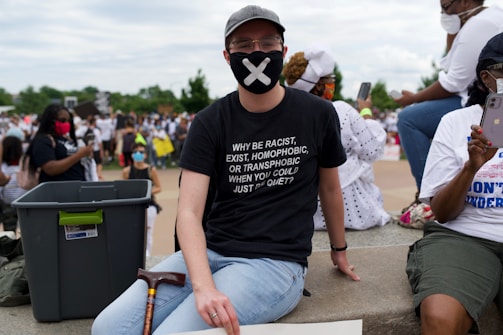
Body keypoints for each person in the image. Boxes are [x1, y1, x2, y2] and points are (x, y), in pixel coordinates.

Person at [92, 5, 359, 335]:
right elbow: (188, 212)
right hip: (211, 251)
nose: (256, 52)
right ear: (227, 55)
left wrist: (339, 250)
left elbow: (330, 188)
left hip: (273, 263)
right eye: (244, 45)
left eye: (267, 42)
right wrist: (204, 286)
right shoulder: (209, 121)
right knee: (107, 328)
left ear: (283, 50)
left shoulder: (317, 114)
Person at [405, 32, 503, 334]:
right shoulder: (456, 122)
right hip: (465, 238)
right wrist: (470, 168)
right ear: (487, 78)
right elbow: (444, 212)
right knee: (440, 319)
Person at [394, 1, 503, 222]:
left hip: (475, 98)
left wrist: (411, 99)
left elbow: (452, 82)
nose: (443, 12)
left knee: (408, 119)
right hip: (482, 92)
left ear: (464, 2)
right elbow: (449, 62)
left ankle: (430, 195)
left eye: (446, 5)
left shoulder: (477, 26)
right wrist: (453, 30)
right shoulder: (488, 17)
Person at [283, 45, 390, 230]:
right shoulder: (340, 110)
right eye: (330, 79)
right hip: (350, 207)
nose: (333, 83)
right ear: (318, 84)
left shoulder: (286, 113)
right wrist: (365, 111)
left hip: (303, 209)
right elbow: (372, 150)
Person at [25, 104, 93, 182]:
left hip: (75, 188)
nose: (67, 124)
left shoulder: (66, 139)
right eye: (63, 120)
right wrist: (79, 155)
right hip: (56, 191)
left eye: (69, 121)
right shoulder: (43, 140)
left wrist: (85, 155)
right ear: (50, 121)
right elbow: (51, 168)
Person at [122, 142, 161, 257]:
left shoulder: (151, 170)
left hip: (149, 205)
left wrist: (145, 193)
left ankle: (147, 257)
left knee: (147, 231)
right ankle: (135, 256)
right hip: (132, 206)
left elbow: (159, 187)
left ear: (145, 155)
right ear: (132, 155)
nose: (138, 154)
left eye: (141, 152)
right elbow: (124, 188)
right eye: (135, 152)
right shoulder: (127, 171)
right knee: (133, 232)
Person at [0, 136, 26, 232]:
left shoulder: (2, 167)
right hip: (24, 202)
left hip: (7, 203)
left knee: (8, 231)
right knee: (25, 231)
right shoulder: (24, 165)